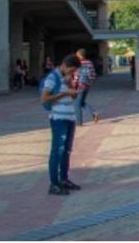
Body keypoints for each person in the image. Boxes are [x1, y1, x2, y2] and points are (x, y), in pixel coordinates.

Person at [41, 54, 82, 196]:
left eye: (74, 71)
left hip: (70, 118)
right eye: (71, 70)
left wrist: (71, 86)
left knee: (67, 150)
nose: (73, 73)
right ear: (64, 65)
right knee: (57, 150)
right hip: (58, 118)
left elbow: (74, 95)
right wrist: (64, 93)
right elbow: (45, 98)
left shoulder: (68, 78)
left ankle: (64, 179)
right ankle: (54, 183)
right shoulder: (52, 77)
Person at [74, 49, 99, 125]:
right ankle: (93, 112)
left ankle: (79, 122)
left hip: (80, 85)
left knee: (76, 104)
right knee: (81, 102)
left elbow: (76, 75)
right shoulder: (89, 63)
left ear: (80, 55)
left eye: (77, 55)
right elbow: (93, 75)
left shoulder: (78, 63)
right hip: (87, 85)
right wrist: (90, 83)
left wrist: (75, 84)